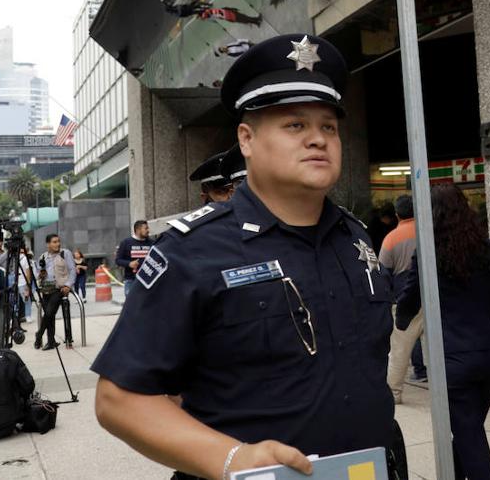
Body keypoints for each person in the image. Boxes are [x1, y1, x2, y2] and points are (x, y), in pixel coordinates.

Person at [92, 34, 399, 480]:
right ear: (247, 139)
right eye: (295, 125)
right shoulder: (192, 250)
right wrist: (232, 458)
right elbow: (119, 399)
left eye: (328, 126)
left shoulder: (355, 237)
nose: (318, 139)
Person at [396, 184, 490, 480]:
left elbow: (410, 299)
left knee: (469, 435)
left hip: (452, 362)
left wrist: (401, 320)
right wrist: (481, 317)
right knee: (468, 432)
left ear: (431, 215)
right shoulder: (487, 248)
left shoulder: (428, 254)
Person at [380, 194, 421, 404]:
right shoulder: (429, 231)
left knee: (399, 351)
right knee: (439, 348)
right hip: (432, 299)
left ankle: (394, 394)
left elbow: (383, 272)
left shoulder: (391, 238)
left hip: (404, 300)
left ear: (397, 214)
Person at [34, 234, 76, 351]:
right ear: (48, 244)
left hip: (60, 288)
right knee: (50, 315)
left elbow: (72, 270)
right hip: (46, 289)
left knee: (48, 312)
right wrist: (40, 275)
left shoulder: (65, 253)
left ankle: (39, 334)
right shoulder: (43, 256)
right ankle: (51, 341)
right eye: (54, 242)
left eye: (58, 241)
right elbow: (37, 273)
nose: (57, 244)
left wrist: (68, 285)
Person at [115, 221, 153, 300]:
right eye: (146, 228)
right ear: (138, 230)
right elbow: (118, 260)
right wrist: (129, 264)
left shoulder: (152, 243)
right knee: (131, 305)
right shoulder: (126, 243)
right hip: (131, 280)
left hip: (148, 280)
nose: (148, 230)